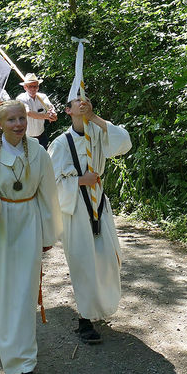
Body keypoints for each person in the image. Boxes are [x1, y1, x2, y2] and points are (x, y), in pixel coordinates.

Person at [0, 100, 62, 374]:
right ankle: (5, 345)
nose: (18, 124)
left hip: (28, 226)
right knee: (3, 293)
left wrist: (48, 233)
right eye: (11, 119)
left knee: (25, 295)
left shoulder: (38, 153)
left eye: (22, 118)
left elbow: (48, 194)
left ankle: (26, 366)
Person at [48, 96, 132, 344]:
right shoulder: (60, 144)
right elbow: (51, 183)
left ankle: (99, 306)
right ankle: (85, 320)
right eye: (77, 102)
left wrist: (94, 118)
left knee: (108, 258)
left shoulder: (96, 133)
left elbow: (124, 143)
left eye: (87, 101)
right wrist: (79, 182)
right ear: (67, 110)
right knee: (83, 263)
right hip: (74, 209)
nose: (82, 104)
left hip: (99, 205)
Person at [16, 73, 57, 149]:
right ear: (25, 87)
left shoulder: (43, 97)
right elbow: (28, 113)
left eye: (35, 86)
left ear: (38, 87)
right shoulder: (20, 99)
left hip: (41, 137)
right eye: (30, 86)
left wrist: (53, 114)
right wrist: (46, 116)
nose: (33, 89)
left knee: (42, 159)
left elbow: (50, 108)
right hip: (26, 139)